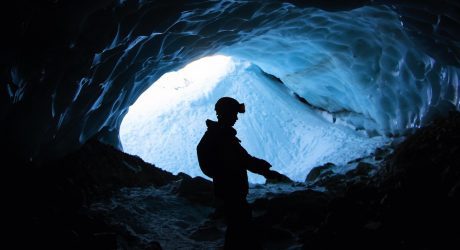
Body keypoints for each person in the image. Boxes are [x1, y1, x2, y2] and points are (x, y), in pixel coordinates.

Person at [197, 97, 281, 249]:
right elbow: (243, 159)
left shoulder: (220, 135)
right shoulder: (222, 137)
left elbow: (241, 159)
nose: (236, 118)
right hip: (231, 191)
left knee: (237, 227)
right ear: (225, 114)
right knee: (239, 227)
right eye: (234, 114)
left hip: (228, 190)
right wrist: (263, 169)